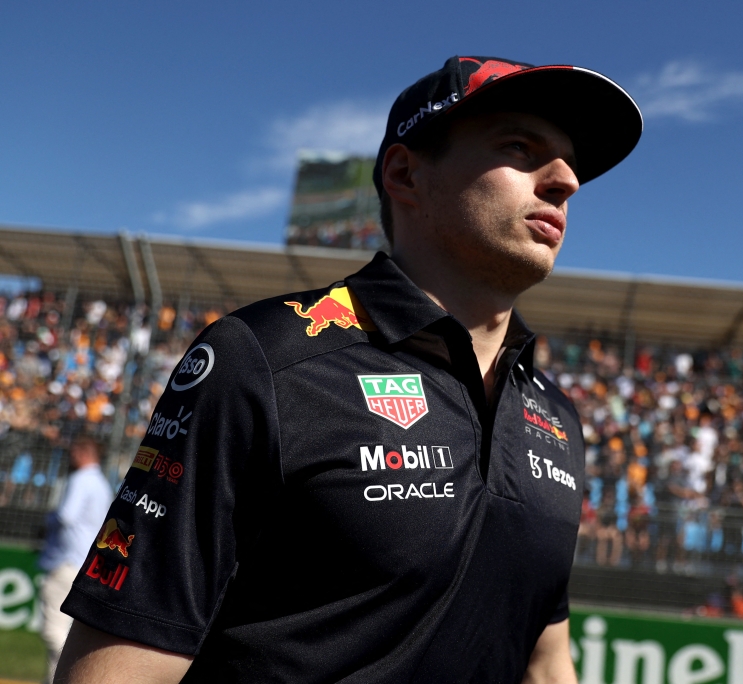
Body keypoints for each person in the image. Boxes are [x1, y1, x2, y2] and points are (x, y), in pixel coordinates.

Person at [54, 55, 642, 683]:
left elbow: (547, 667)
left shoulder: (555, 415)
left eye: (572, 161)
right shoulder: (266, 359)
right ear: (405, 174)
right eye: (520, 147)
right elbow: (117, 672)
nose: (565, 180)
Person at [37, 435, 112, 684]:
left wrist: (47, 522)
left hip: (67, 560)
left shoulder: (80, 479)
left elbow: (66, 515)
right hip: (87, 564)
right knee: (73, 631)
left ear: (82, 453)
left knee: (53, 631)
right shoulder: (102, 482)